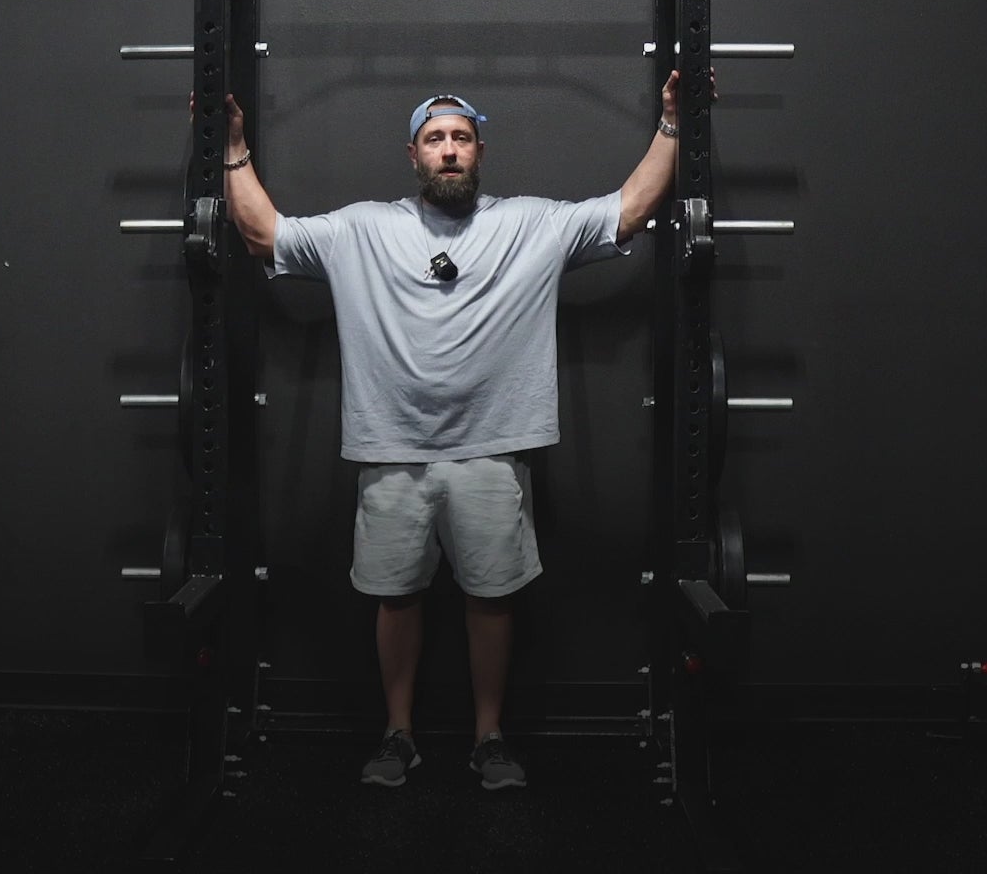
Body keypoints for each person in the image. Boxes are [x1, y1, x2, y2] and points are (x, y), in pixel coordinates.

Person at [220, 71, 707, 789]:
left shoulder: (532, 225)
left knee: (491, 599)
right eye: (434, 139)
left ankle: (489, 738)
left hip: (491, 454)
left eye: (461, 138)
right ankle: (399, 734)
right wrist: (231, 145)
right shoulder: (362, 229)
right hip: (391, 452)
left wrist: (673, 123)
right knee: (397, 598)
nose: (448, 149)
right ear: (413, 155)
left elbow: (630, 209)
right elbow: (263, 233)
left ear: (480, 151)